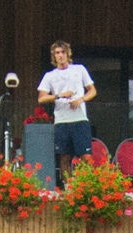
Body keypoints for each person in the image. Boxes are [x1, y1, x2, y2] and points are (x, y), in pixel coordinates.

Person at [36, 41, 96, 186]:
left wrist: (81, 99)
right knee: (64, 157)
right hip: (62, 121)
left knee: (86, 156)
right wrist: (59, 95)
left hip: (80, 119)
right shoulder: (50, 76)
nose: (60, 55)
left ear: (68, 54)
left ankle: (87, 186)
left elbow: (92, 91)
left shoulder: (79, 69)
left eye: (63, 52)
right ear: (53, 56)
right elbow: (41, 98)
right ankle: (68, 188)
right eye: (57, 53)